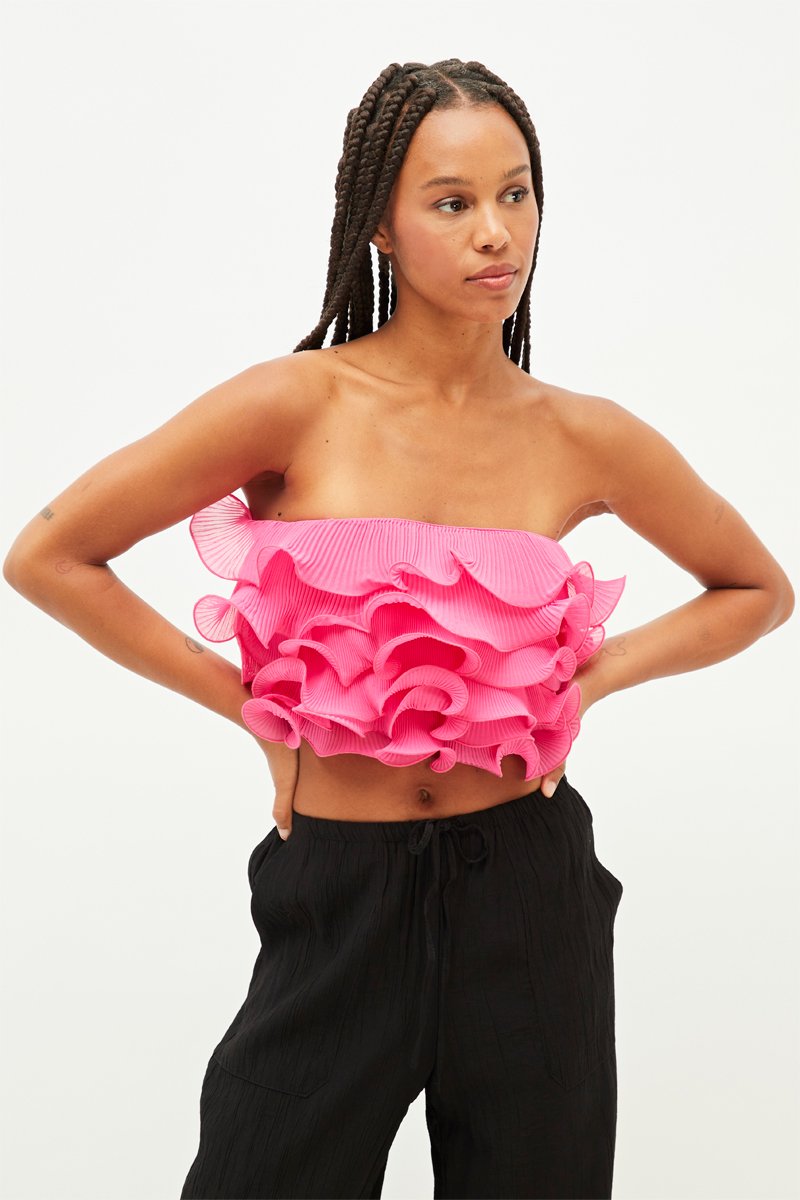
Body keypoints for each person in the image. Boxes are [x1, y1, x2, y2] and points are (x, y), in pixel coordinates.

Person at [3, 58, 794, 1200]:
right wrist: (253, 712)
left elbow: (756, 588)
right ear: (379, 223)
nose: (495, 233)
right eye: (452, 202)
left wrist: (587, 683)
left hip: (527, 895)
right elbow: (50, 555)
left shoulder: (584, 435)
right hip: (339, 894)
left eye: (515, 194)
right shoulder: (295, 402)